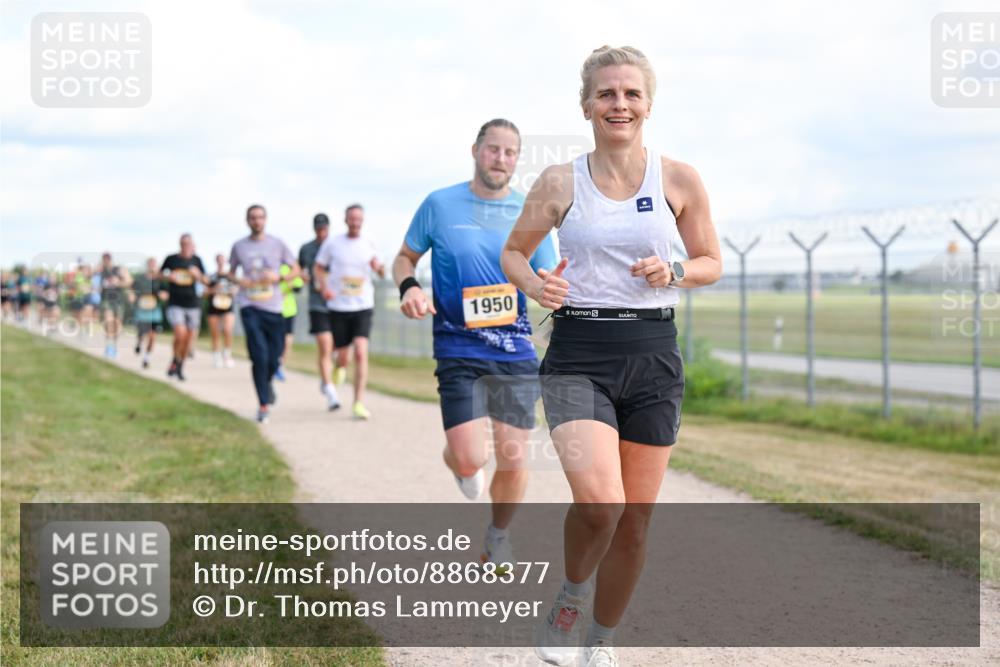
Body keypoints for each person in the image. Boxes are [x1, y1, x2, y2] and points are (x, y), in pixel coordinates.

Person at [500, 46, 722, 667]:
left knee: (635, 522)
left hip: (652, 355)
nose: (618, 104)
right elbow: (514, 254)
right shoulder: (560, 182)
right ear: (586, 105)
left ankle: (601, 639)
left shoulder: (678, 179)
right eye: (606, 94)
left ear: (648, 104)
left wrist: (675, 267)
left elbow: (710, 262)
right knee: (602, 504)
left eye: (630, 94)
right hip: (579, 354)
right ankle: (571, 598)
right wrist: (537, 285)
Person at [393, 119, 557, 571]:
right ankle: (461, 465)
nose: (500, 160)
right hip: (457, 346)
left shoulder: (528, 211)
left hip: (514, 348)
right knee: (471, 458)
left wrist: (553, 287)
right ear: (475, 150)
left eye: (509, 153)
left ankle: (498, 537)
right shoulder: (440, 204)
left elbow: (544, 275)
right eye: (493, 150)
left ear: (517, 159)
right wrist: (408, 286)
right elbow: (404, 257)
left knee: (513, 455)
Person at [228, 204, 300, 423]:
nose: (256, 221)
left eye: (260, 217)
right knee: (259, 355)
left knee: (274, 357)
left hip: (274, 307)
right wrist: (241, 280)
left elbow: (296, 269)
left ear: (265, 220)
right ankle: (263, 405)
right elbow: (231, 274)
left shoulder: (277, 244)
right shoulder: (239, 246)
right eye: (252, 217)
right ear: (247, 220)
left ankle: (267, 384)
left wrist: (278, 278)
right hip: (250, 306)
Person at [314, 204, 385, 420]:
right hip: (339, 306)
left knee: (361, 351)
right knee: (343, 355)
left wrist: (377, 267)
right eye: (352, 219)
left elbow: (382, 272)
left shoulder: (369, 242)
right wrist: (324, 287)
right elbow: (318, 267)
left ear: (362, 221)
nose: (355, 223)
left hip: (363, 305)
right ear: (345, 220)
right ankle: (339, 366)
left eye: (358, 220)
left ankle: (358, 403)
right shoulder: (333, 243)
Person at [298, 213, 342, 410]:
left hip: (339, 304)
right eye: (318, 228)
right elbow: (298, 270)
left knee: (338, 350)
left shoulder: (338, 247)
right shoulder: (306, 249)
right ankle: (331, 391)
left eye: (324, 228)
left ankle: (329, 374)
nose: (321, 232)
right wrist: (303, 279)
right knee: (325, 346)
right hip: (317, 304)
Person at [161, 234, 207, 381]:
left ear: (192, 244)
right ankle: (175, 359)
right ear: (180, 244)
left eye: (188, 244)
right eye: (183, 243)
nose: (186, 246)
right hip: (175, 302)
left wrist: (198, 275)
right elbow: (159, 274)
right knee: (180, 334)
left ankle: (179, 364)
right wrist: (168, 277)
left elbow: (206, 280)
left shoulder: (197, 260)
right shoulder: (171, 259)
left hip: (193, 303)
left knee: (188, 339)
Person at [132, 257, 168, 369]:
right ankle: (139, 342)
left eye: (154, 264)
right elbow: (133, 290)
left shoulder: (159, 280)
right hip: (142, 309)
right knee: (141, 332)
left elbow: (165, 293)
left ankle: (147, 358)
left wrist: (164, 295)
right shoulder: (140, 279)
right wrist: (132, 296)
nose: (152, 266)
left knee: (152, 336)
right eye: (150, 264)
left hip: (154, 310)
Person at [206, 254, 237, 368]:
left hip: (227, 307)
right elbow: (204, 292)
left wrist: (233, 291)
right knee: (215, 333)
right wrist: (214, 289)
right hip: (214, 308)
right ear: (216, 261)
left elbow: (236, 289)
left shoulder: (230, 276)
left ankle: (227, 355)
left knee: (228, 330)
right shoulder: (211, 276)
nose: (220, 262)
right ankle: (216, 355)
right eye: (219, 260)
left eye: (222, 260)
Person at [98, 253, 132, 358]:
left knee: (117, 325)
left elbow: (129, 281)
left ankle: (114, 346)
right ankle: (109, 346)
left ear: (110, 260)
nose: (105, 262)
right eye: (104, 260)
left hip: (119, 301)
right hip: (107, 300)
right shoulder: (101, 271)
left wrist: (119, 283)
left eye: (107, 259)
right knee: (109, 322)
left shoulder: (118, 269)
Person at [275, 263, 305, 381]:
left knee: (287, 341)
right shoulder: (272, 266)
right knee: (275, 340)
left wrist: (289, 283)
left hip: (289, 310)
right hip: (273, 310)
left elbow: (299, 287)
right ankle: (272, 364)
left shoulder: (291, 269)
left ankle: (280, 366)